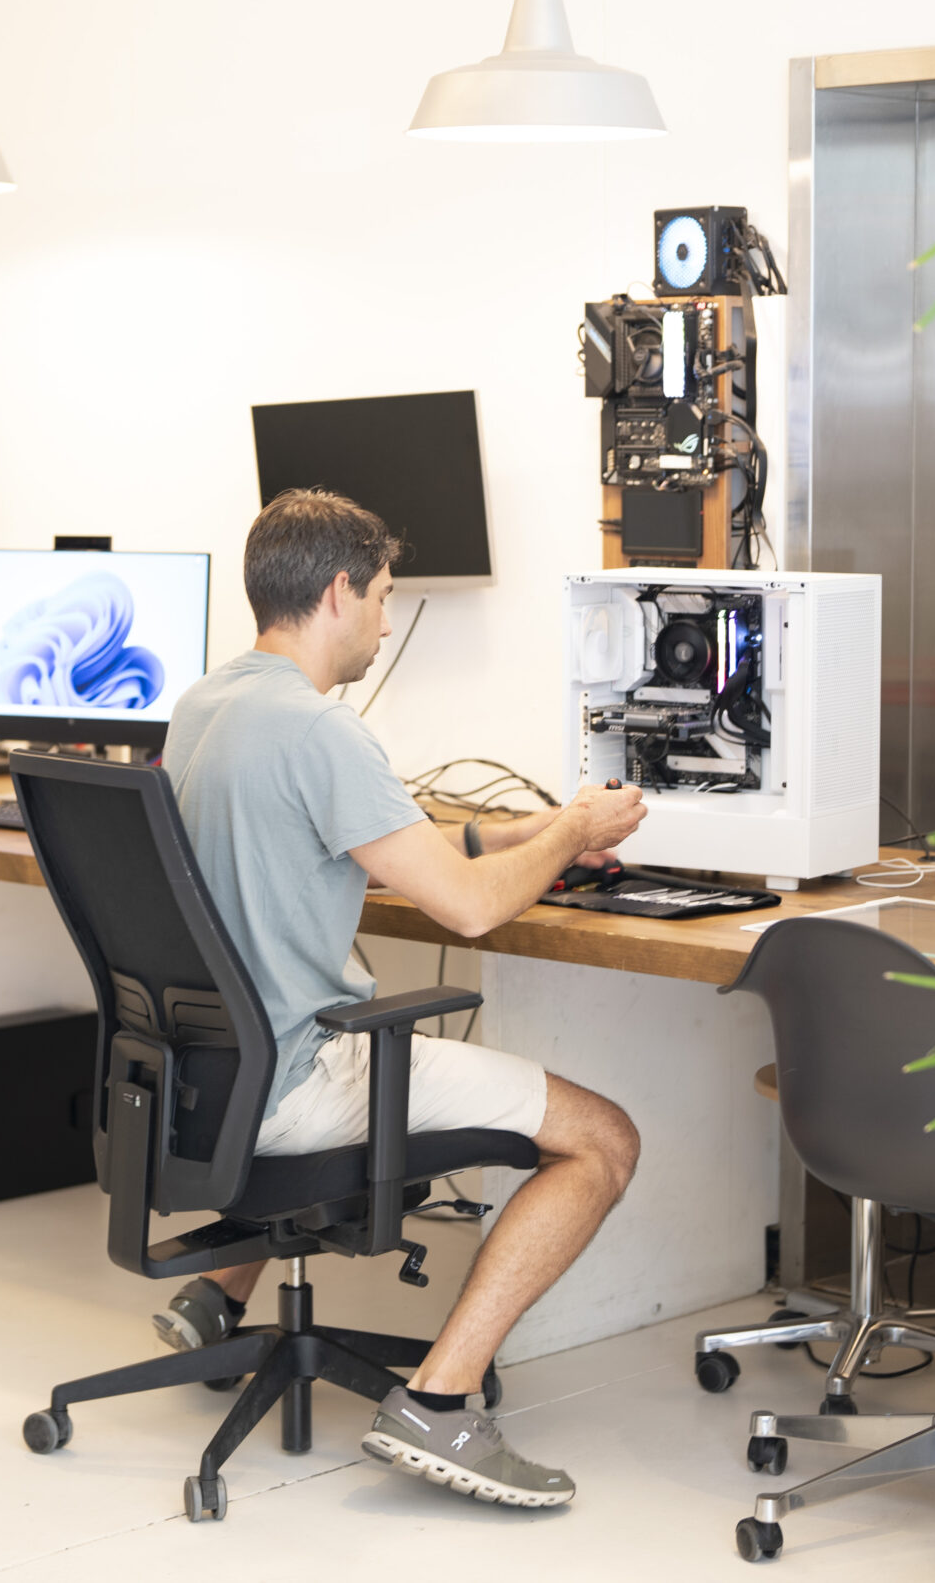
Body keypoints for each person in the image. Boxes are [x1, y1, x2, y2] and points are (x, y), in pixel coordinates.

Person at [147, 487, 646, 1510]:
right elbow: (470, 910)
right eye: (382, 596)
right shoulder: (322, 730)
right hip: (299, 1077)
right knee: (604, 1140)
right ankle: (438, 1402)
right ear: (338, 591)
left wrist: (529, 829)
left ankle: (216, 1298)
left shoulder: (206, 705)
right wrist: (571, 832)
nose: (385, 622)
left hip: (204, 1077)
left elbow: (380, 844)